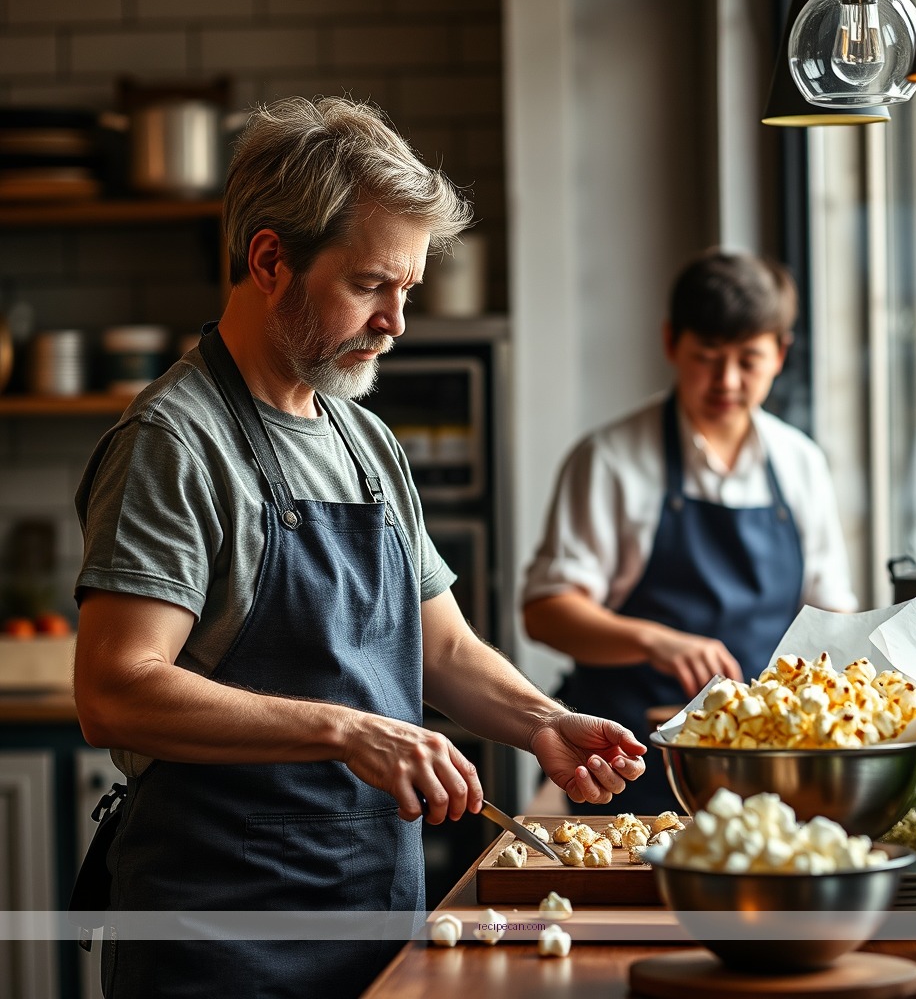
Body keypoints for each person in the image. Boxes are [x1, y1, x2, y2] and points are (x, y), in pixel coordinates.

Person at [72, 96, 646, 999]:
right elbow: (115, 691)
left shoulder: (363, 440)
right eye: (372, 285)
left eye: (406, 290)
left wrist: (544, 722)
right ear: (271, 261)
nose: (395, 322)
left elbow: (442, 648)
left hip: (372, 922)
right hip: (221, 942)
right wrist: (348, 730)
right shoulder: (175, 443)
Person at [521, 249, 856, 815]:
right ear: (671, 342)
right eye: (707, 357)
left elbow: (831, 621)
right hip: (630, 769)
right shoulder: (610, 460)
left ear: (780, 353)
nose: (728, 381)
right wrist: (655, 641)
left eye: (749, 360)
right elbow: (546, 612)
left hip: (768, 773)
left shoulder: (801, 463)